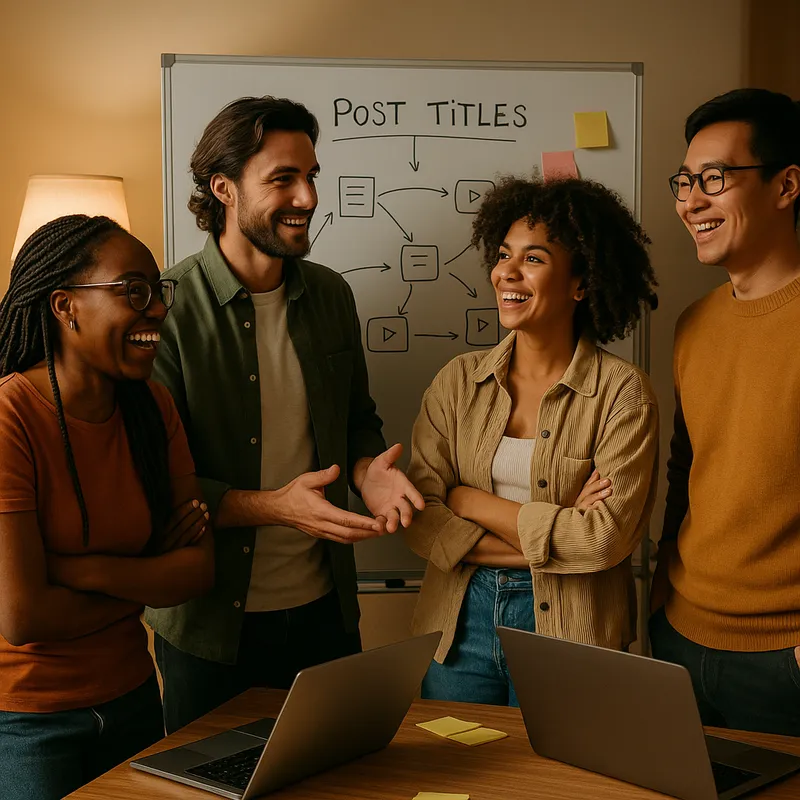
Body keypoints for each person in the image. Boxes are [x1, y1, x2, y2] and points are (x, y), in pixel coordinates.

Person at [147, 96, 424, 733]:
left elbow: (357, 416)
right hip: (211, 627)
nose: (306, 196)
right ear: (224, 189)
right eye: (281, 179)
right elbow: (160, 485)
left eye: (311, 176)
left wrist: (367, 471)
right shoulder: (165, 309)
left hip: (325, 616)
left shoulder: (330, 294)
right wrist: (278, 507)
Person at [404, 176, 659, 706]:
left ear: (580, 283)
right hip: (458, 627)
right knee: (457, 782)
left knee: (565, 784)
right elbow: (421, 518)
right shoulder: (457, 381)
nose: (507, 273)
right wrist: (552, 535)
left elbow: (603, 541)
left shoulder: (622, 394)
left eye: (534, 259)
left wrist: (469, 501)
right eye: (503, 255)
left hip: (573, 631)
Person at [0, 215, 214, 800]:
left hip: (135, 702)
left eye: (158, 291)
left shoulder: (152, 406)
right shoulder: (10, 418)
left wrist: (77, 570)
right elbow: (22, 618)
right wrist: (146, 577)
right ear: (66, 306)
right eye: (135, 292)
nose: (158, 311)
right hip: (29, 724)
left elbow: (197, 569)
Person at [650, 88, 800, 735]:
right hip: (682, 634)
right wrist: (659, 593)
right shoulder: (694, 324)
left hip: (784, 658)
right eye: (685, 181)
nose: (691, 201)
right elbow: (686, 474)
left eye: (715, 178)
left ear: (786, 185)